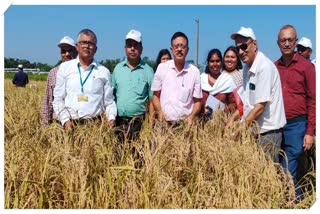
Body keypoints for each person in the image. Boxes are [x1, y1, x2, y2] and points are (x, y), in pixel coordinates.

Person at [225, 26, 286, 163]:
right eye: (238, 48)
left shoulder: (264, 67)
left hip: (268, 134)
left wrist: (240, 129)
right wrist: (232, 120)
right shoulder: (247, 68)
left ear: (255, 44)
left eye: (244, 46)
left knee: (266, 177)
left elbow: (259, 107)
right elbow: (246, 103)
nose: (241, 51)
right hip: (254, 131)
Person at [274, 25, 316, 197]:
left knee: (287, 167)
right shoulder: (274, 67)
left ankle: (292, 203)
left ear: (296, 42)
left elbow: (313, 100)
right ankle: (295, 198)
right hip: (277, 125)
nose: (286, 43)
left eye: (290, 40)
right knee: (279, 168)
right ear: (278, 43)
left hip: (296, 125)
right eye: (283, 40)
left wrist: (310, 131)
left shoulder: (306, 67)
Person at [53, 29, 117, 131]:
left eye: (90, 43)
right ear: (77, 46)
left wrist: (111, 118)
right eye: (83, 42)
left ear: (95, 49)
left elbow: (109, 102)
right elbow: (58, 99)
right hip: (70, 124)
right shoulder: (65, 68)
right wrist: (65, 121)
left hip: (95, 126)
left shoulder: (104, 72)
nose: (87, 46)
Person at [151, 31, 202, 126]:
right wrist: (159, 112)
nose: (179, 49)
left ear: (187, 49)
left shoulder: (194, 72)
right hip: (164, 123)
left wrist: (192, 117)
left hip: (185, 124)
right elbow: (155, 96)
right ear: (171, 49)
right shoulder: (162, 68)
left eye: (183, 46)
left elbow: (198, 102)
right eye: (176, 46)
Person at [112, 29, 154, 141]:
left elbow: (152, 101)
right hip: (119, 121)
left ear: (141, 48)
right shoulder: (117, 69)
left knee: (137, 155)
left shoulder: (148, 71)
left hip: (139, 123)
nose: (132, 48)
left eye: (136, 45)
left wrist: (150, 125)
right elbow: (111, 96)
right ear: (125, 48)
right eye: (129, 45)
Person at [40, 36, 78, 127]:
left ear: (76, 51)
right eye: (63, 51)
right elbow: (48, 100)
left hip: (77, 123)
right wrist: (45, 126)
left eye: (70, 50)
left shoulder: (82, 72)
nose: (67, 54)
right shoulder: (53, 73)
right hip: (58, 124)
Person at [200, 49, 236, 121]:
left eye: (218, 61)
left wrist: (222, 110)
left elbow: (234, 104)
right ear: (208, 63)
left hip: (220, 124)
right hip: (202, 123)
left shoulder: (227, 79)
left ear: (221, 62)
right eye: (212, 61)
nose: (215, 64)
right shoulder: (201, 79)